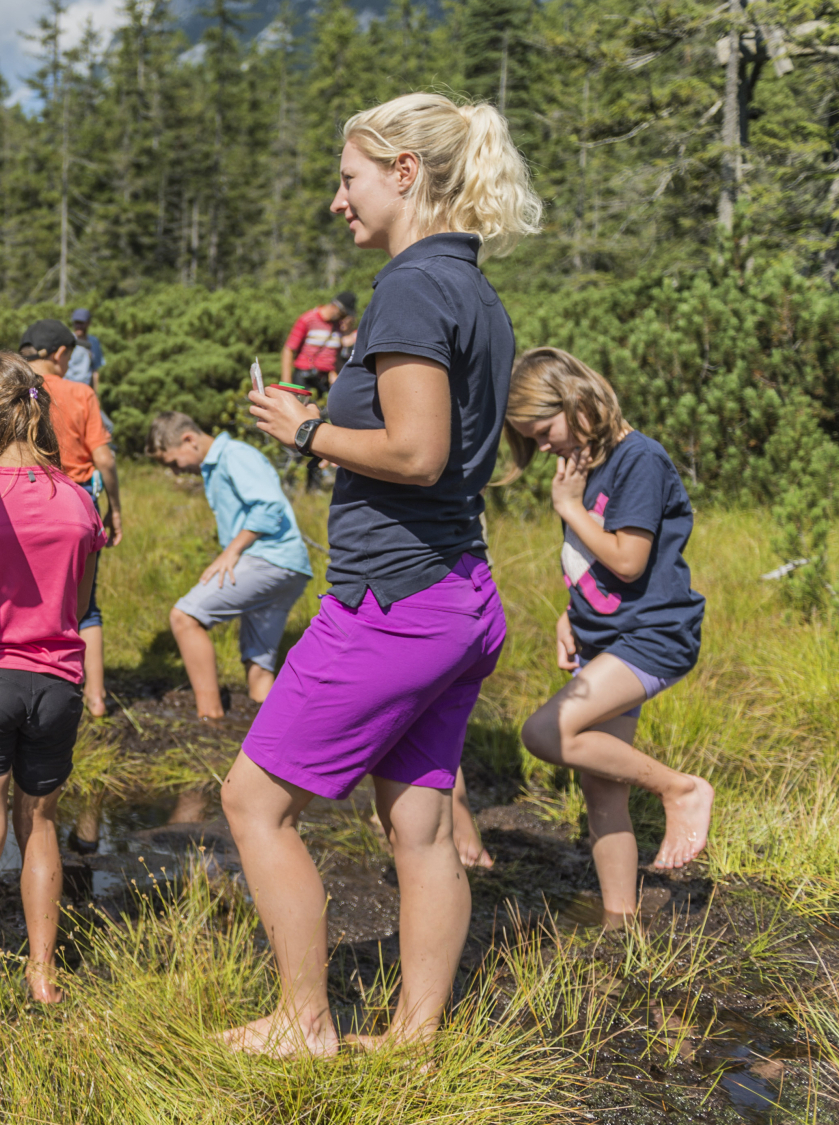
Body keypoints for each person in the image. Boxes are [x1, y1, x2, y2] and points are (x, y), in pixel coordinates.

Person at [221, 92, 542, 1056]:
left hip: (392, 604)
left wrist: (309, 430)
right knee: (421, 823)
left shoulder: (408, 286)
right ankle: (413, 1038)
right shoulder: (472, 289)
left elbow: (416, 451)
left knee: (251, 800)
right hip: (458, 593)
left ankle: (304, 1021)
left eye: (349, 177)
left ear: (406, 173)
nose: (336, 199)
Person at [498, 347, 714, 926]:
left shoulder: (638, 459)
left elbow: (626, 559)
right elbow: (585, 562)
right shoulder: (586, 465)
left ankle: (679, 789)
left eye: (543, 431)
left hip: (652, 635)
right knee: (600, 783)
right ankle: (621, 918)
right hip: (606, 637)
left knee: (544, 732)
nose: (543, 447)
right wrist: (571, 616)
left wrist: (569, 508)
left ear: (576, 400)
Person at [0, 353, 105, 1006]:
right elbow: (80, 603)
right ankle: (42, 973)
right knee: (41, 826)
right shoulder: (79, 502)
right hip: (59, 685)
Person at [149, 412, 313, 714]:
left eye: (173, 462)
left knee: (185, 618)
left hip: (270, 559)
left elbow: (269, 506)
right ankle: (269, 732)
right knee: (259, 669)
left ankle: (210, 719)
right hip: (288, 566)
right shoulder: (216, 465)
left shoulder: (235, 455)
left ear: (189, 439)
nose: (175, 472)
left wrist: (231, 552)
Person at [19, 319, 123, 717]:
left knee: (24, 595)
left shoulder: (11, 390)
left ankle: (31, 684)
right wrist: (114, 509)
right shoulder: (80, 392)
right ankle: (95, 698)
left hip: (19, 500)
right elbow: (104, 458)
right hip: (76, 503)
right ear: (61, 354)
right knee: (87, 605)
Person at [281, 292, 358, 395]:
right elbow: (289, 349)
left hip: (324, 381)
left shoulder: (338, 327)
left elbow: (336, 356)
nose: (343, 318)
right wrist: (286, 383)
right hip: (304, 377)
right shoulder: (307, 319)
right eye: (343, 314)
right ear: (335, 307)